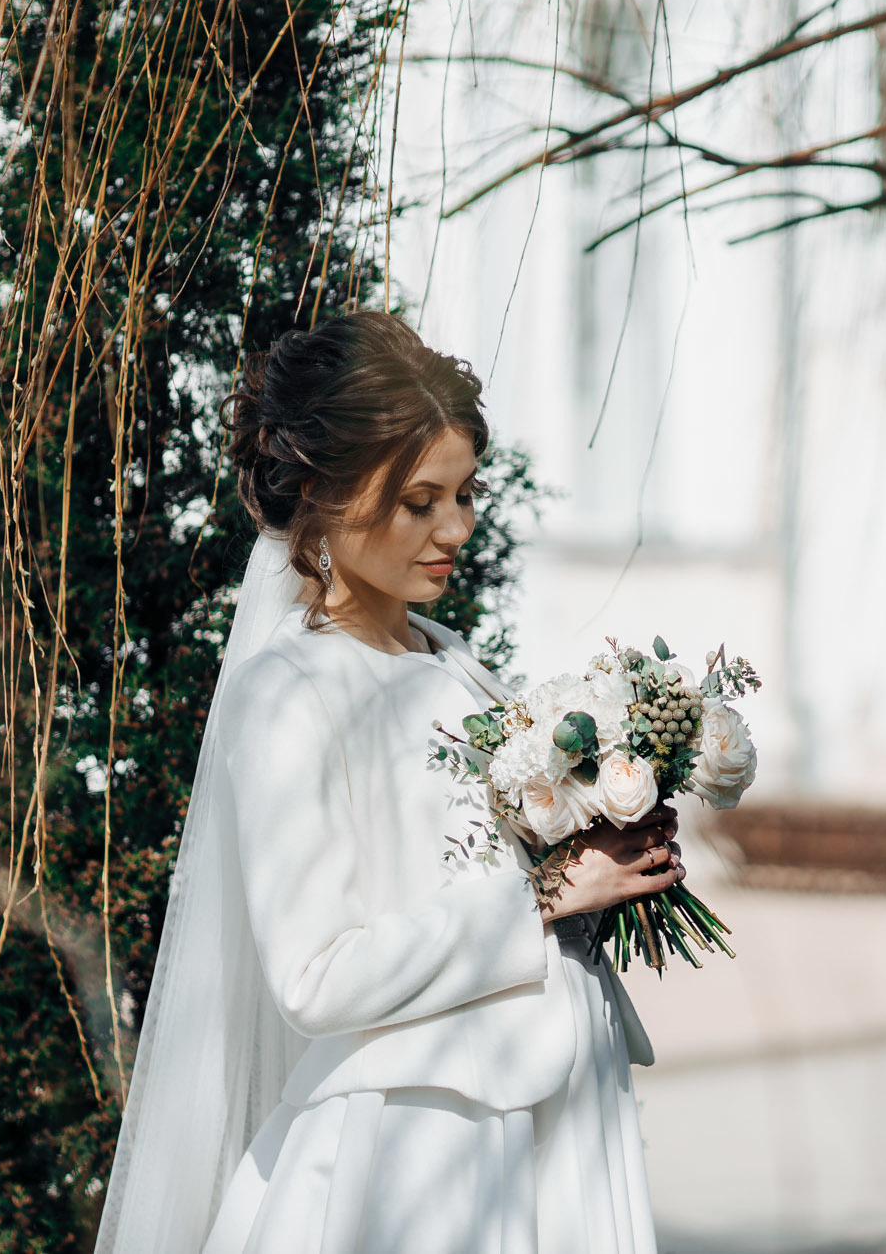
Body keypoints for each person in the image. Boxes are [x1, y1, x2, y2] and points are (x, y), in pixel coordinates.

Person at [95, 311, 681, 1254]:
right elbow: (315, 976)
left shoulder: (455, 661)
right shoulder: (289, 690)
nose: (456, 528)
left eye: (466, 494)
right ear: (322, 493)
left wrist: (612, 841)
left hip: (558, 1116)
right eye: (419, 501)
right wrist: (545, 893)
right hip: (424, 1152)